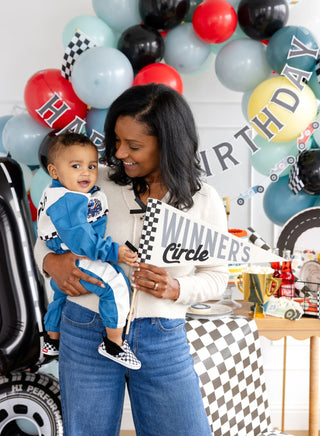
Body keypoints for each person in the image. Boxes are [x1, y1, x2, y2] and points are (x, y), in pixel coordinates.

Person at [34, 84, 229, 436]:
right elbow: (44, 240)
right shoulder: (94, 182)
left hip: (162, 337)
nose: (120, 152)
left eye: (134, 146)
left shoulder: (203, 200)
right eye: (116, 140)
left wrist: (176, 287)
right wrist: (53, 263)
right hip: (85, 328)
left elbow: (216, 276)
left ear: (167, 143)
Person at [37, 132, 141, 369]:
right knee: (114, 283)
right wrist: (112, 252)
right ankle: (114, 343)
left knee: (60, 294)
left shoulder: (71, 190)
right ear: (54, 172)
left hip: (68, 251)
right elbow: (82, 240)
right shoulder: (68, 199)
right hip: (75, 253)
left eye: (92, 166)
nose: (86, 172)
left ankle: (52, 338)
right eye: (76, 166)